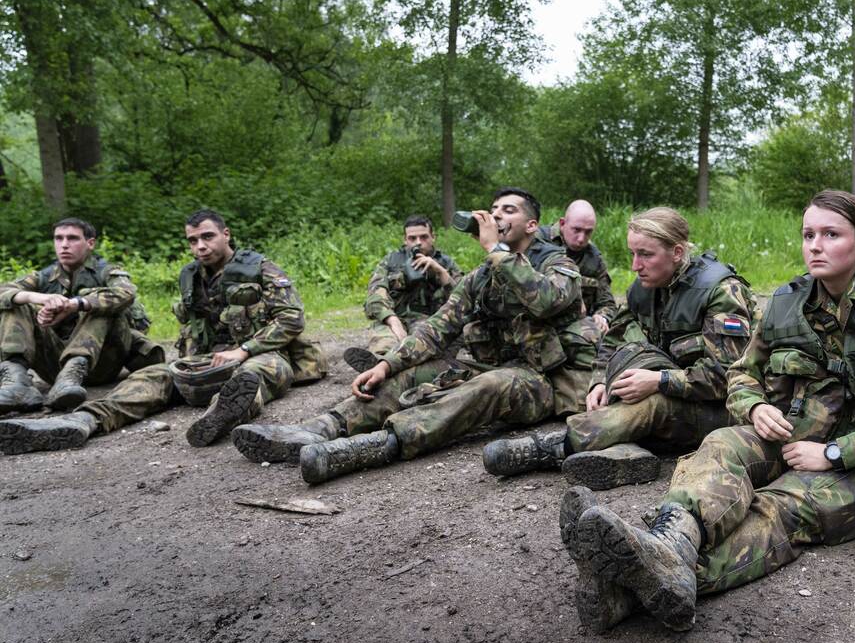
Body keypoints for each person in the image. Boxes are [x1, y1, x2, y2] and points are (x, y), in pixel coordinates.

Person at [563, 190, 855, 632]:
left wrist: (835, 454)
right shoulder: (786, 301)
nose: (815, 245)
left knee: (782, 506)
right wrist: (755, 406)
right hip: (794, 430)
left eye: (831, 235)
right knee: (721, 444)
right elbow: (741, 373)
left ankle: (632, 590)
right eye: (808, 235)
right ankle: (670, 540)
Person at [231, 188, 596, 483]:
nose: (496, 215)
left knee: (488, 385)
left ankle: (380, 443)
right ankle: (320, 428)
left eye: (508, 210)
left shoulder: (558, 263)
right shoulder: (482, 276)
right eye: (494, 209)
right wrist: (387, 366)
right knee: (411, 375)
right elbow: (438, 327)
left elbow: (546, 301)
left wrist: (495, 250)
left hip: (541, 380)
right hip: (490, 365)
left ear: (531, 225)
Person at [0, 210, 325, 454]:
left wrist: (243, 351)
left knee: (253, 376)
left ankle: (220, 413)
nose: (200, 246)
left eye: (208, 237)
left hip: (262, 354)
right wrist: (188, 365)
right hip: (207, 360)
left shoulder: (260, 268)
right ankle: (83, 421)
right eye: (193, 240)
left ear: (226, 235)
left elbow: (291, 319)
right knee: (151, 377)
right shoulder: (191, 276)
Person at [482, 207, 755, 490]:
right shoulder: (645, 287)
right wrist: (600, 381)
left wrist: (658, 380)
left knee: (653, 403)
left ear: (676, 253)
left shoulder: (720, 292)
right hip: (683, 393)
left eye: (646, 255)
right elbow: (613, 339)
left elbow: (726, 377)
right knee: (631, 358)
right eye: (632, 254)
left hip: (727, 409)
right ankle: (626, 454)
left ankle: (553, 446)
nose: (636, 265)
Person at [0, 217, 164, 422]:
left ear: (90, 243)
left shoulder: (108, 272)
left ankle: (73, 371)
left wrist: (76, 304)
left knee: (99, 303)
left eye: (72, 238)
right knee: (13, 302)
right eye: (58, 238)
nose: (64, 244)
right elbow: (3, 290)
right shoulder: (43, 276)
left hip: (100, 363)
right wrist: (38, 298)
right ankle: (16, 381)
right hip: (53, 367)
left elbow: (126, 293)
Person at [342, 215, 462, 373]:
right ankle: (379, 364)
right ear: (405, 240)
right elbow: (375, 296)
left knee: (420, 344)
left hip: (429, 322)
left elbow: (463, 300)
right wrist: (393, 321)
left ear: (433, 237)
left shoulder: (446, 263)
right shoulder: (391, 261)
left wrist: (441, 273)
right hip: (395, 318)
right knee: (384, 341)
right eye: (412, 238)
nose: (418, 242)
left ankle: (394, 369)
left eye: (424, 237)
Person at [537, 200, 616, 334]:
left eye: (588, 232)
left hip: (572, 328)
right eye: (576, 230)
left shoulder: (594, 259)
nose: (581, 239)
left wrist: (602, 317)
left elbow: (607, 303)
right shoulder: (537, 242)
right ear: (562, 223)